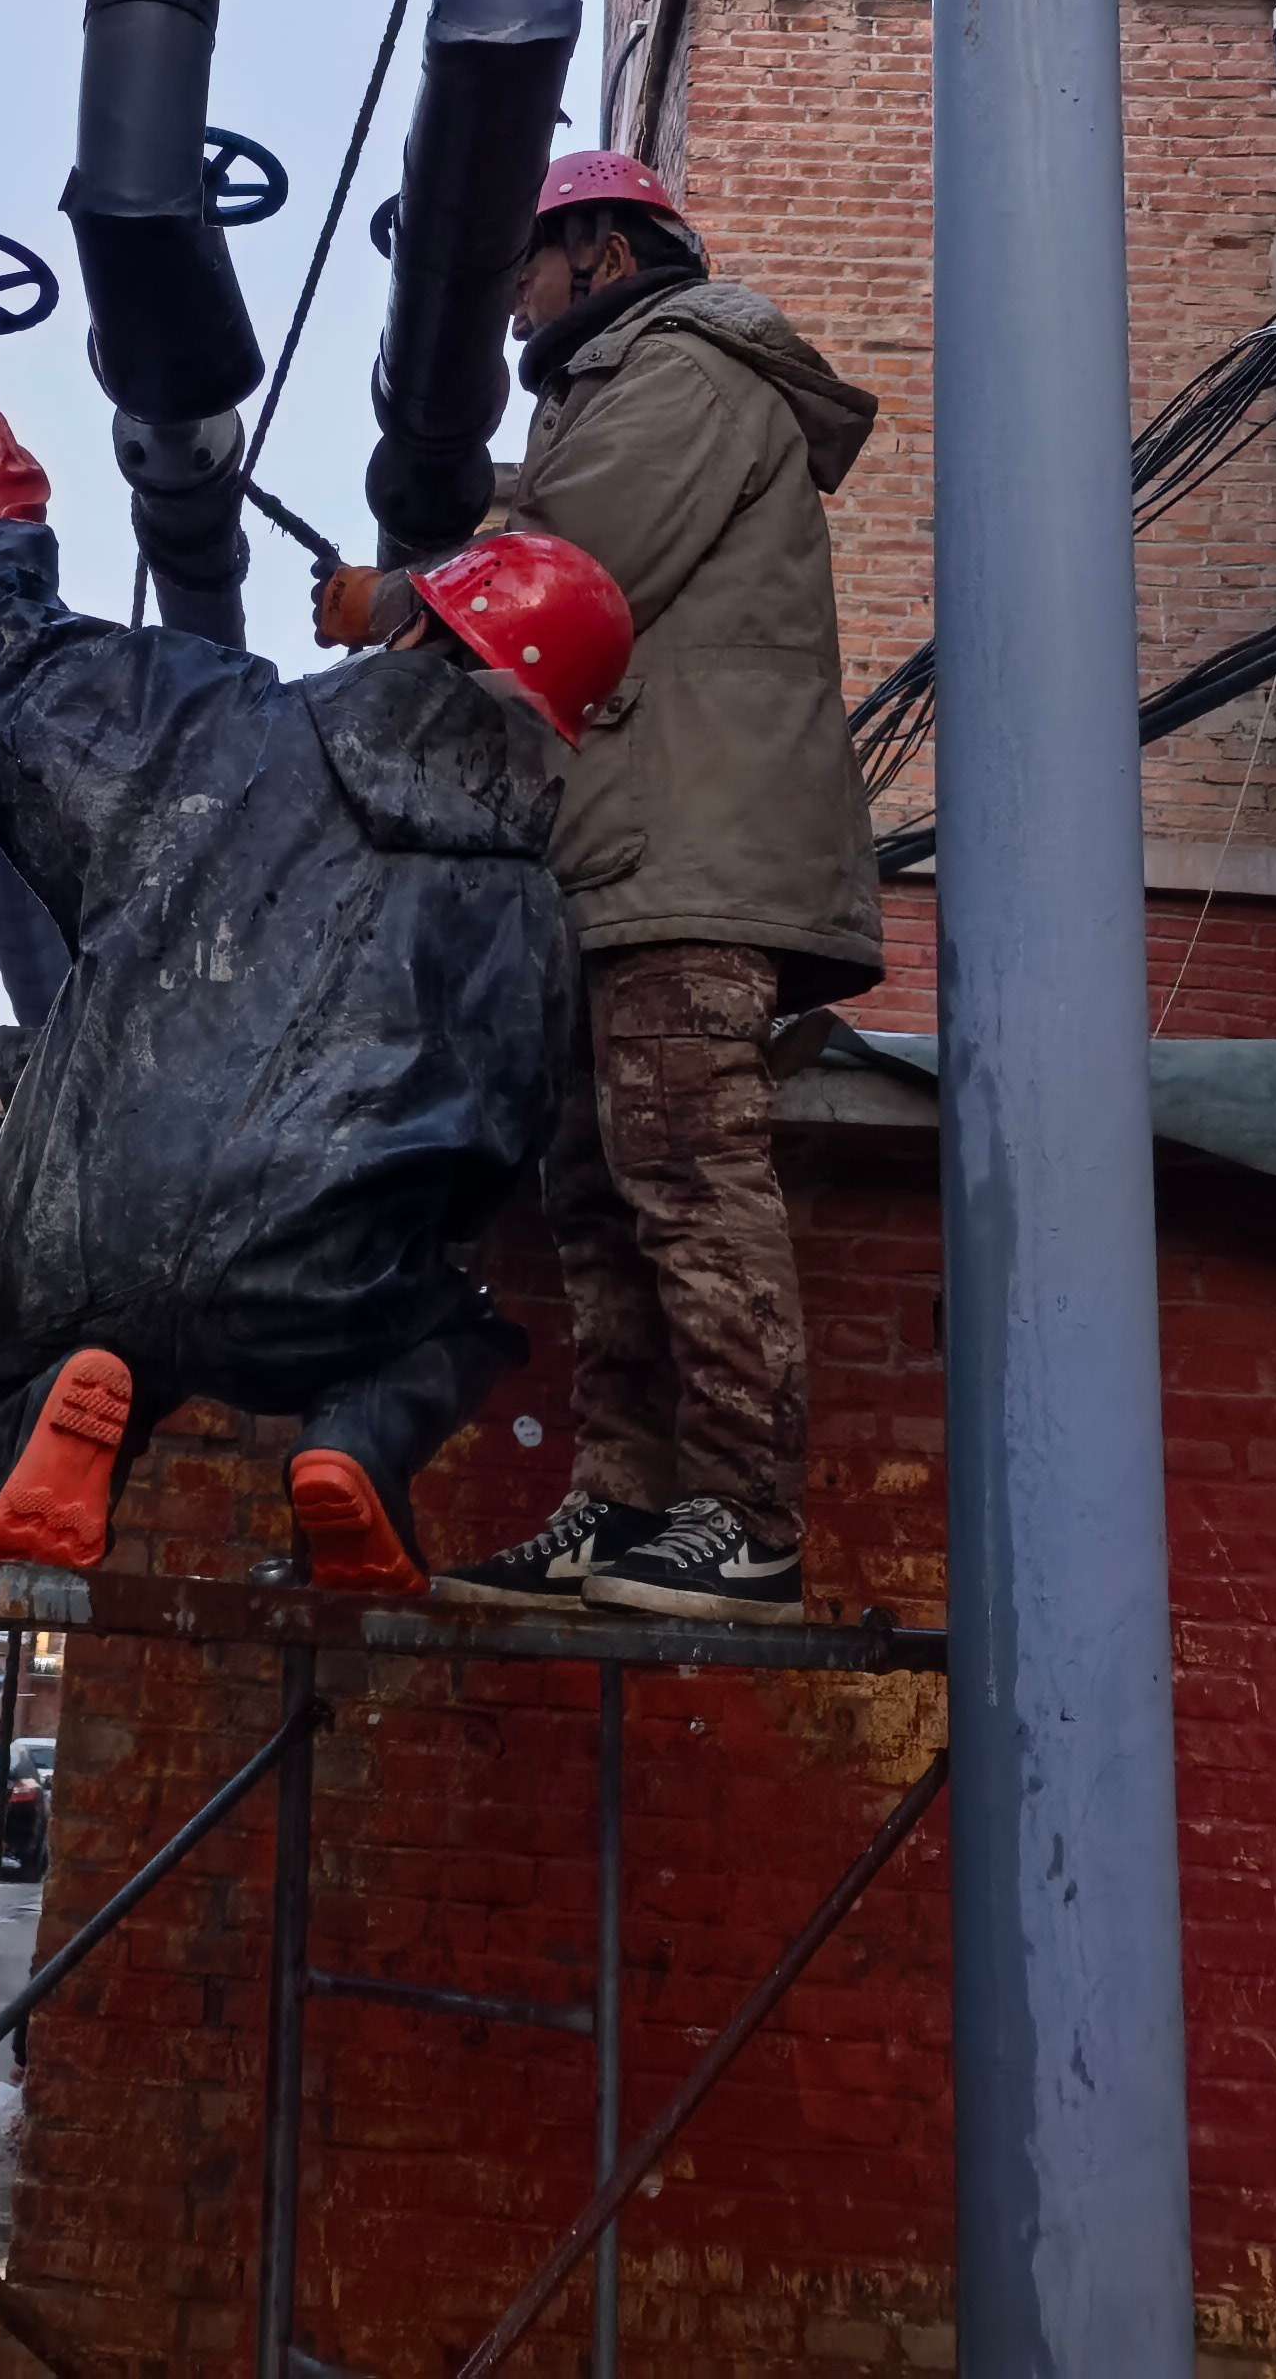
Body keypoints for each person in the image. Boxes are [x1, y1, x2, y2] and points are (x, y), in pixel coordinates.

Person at [0, 408, 633, 1595]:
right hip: (319, 1288)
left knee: (7, 1376)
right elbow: (495, 1149)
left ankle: (22, 1443)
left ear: (416, 631)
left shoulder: (215, 719)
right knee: (456, 1329)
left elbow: (6, 687)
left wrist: (10, 533)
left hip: (75, 1227)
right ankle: (354, 1446)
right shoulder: (528, 910)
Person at [320, 152, 881, 1624]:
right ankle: (624, 1504)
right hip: (617, 858)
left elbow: (573, 565)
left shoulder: (687, 368)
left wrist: (395, 602)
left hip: (693, 855)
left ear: (607, 257)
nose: (512, 300)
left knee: (686, 1172)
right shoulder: (607, 397)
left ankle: (747, 1524)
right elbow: (541, 522)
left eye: (528, 264)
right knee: (597, 1197)